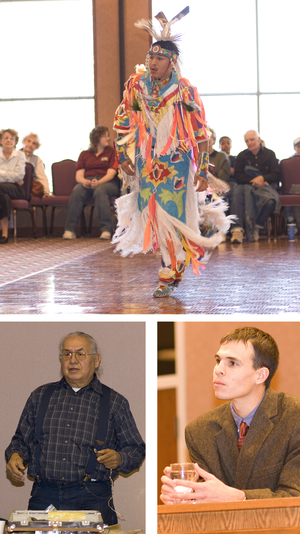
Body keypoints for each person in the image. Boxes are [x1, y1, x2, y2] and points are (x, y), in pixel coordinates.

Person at [112, 7, 232, 298]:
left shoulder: (184, 91)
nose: (152, 62)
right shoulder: (137, 86)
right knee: (151, 214)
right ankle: (171, 261)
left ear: (172, 62)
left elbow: (200, 133)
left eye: (159, 58)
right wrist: (122, 155)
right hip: (146, 160)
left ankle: (171, 268)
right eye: (150, 57)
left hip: (175, 161)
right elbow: (122, 121)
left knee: (172, 213)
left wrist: (202, 171)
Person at [5, 331, 145, 525]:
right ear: (60, 360)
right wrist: (15, 456)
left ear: (96, 360)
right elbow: (20, 441)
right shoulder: (39, 397)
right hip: (44, 495)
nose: (73, 360)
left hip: (92, 497)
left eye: (80, 354)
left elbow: (136, 450)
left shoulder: (115, 403)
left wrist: (120, 458)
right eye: (67, 354)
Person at [161, 326, 300, 503]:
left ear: (260, 375)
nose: (218, 369)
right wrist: (188, 501)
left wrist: (240, 497)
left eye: (232, 363)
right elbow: (206, 506)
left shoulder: (295, 417)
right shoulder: (199, 432)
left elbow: (294, 498)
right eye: (218, 360)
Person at [63, 126, 120, 240]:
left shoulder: (111, 152)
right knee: (77, 191)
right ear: (97, 138)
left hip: (107, 182)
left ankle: (106, 230)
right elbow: (79, 175)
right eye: (105, 136)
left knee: (100, 191)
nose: (108, 138)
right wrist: (84, 181)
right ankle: (70, 230)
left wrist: (99, 182)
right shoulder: (84, 154)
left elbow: (111, 174)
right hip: (88, 181)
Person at [230, 130, 280, 243]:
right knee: (237, 194)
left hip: (265, 186)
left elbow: (276, 174)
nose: (249, 143)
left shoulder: (270, 154)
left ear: (258, 139)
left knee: (270, 201)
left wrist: (262, 178)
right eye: (247, 141)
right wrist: (254, 180)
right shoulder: (242, 155)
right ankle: (237, 229)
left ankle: (256, 226)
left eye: (252, 139)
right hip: (246, 186)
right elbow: (237, 175)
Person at [0, 128, 25, 244]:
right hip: (3, 189)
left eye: (11, 138)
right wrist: (10, 176)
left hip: (16, 188)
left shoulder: (20, 155)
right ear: (1, 141)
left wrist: (1, 173)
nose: (8, 140)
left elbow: (19, 175)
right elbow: (14, 176)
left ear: (15, 141)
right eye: (5, 138)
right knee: (4, 198)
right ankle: (4, 234)